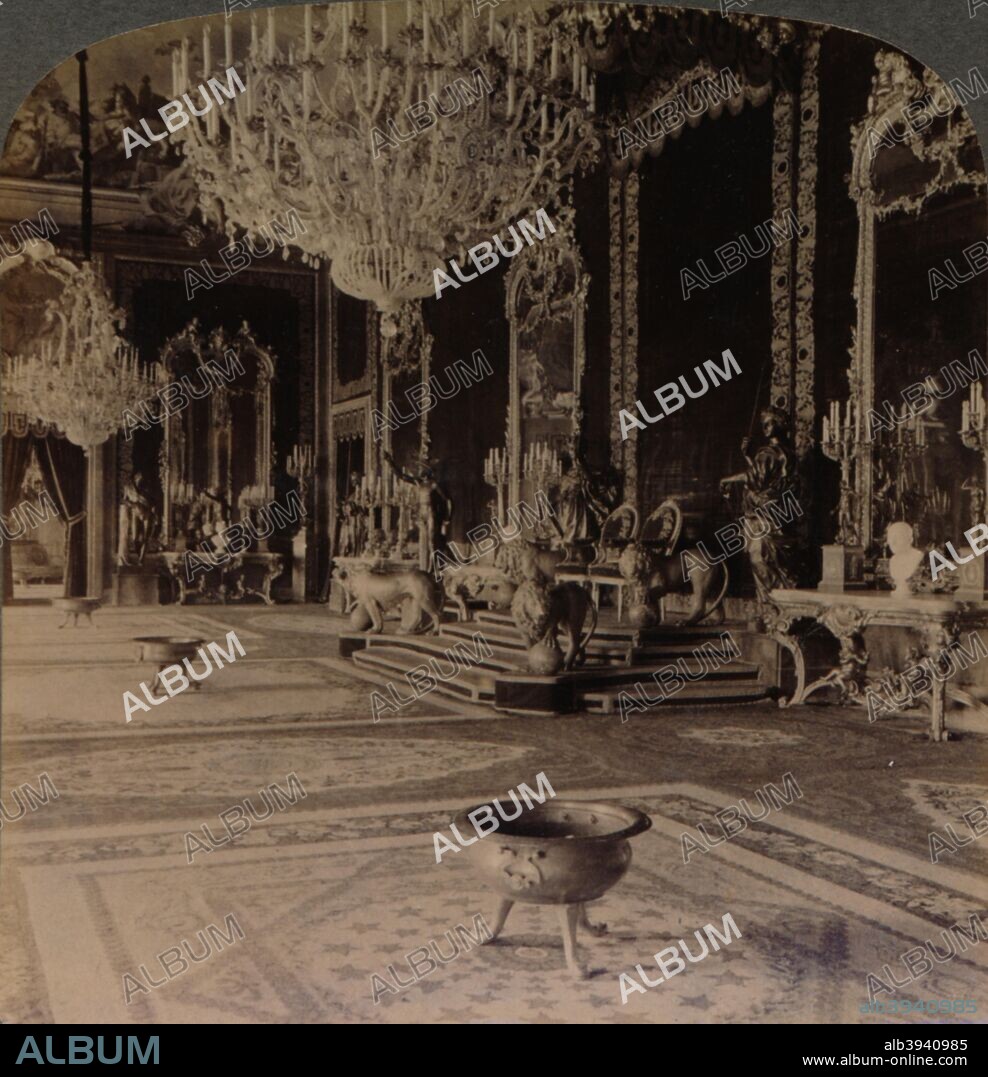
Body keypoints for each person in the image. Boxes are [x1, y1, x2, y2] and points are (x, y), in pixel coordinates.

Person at [720, 406, 803, 606]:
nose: (765, 427)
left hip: (763, 515)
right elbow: (764, 478)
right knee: (771, 560)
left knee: (760, 558)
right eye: (763, 423)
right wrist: (748, 456)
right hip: (776, 512)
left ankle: (773, 604)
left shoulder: (769, 452)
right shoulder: (786, 452)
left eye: (770, 422)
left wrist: (727, 479)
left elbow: (755, 478)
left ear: (780, 424)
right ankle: (778, 603)